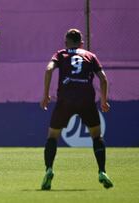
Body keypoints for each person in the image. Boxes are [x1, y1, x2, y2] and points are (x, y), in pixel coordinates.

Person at [39, 29, 113, 190]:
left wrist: (45, 95)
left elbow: (49, 69)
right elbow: (104, 79)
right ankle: (102, 171)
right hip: (86, 100)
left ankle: (49, 169)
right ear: (81, 43)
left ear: (66, 42)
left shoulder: (60, 54)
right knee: (96, 136)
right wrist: (104, 100)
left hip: (65, 100)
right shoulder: (90, 56)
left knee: (52, 136)